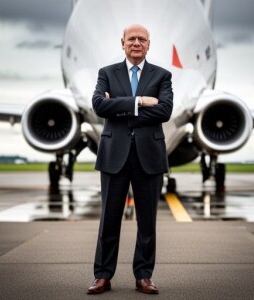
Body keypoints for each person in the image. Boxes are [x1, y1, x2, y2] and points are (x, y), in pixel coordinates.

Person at [88, 24, 173, 295]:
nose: (136, 43)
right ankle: (102, 276)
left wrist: (120, 107)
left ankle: (144, 276)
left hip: (149, 156)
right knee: (108, 220)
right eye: (132, 39)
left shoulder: (162, 75)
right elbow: (99, 106)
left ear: (149, 45)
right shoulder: (106, 73)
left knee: (147, 222)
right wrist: (139, 102)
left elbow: (165, 111)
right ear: (122, 43)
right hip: (115, 156)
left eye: (142, 39)